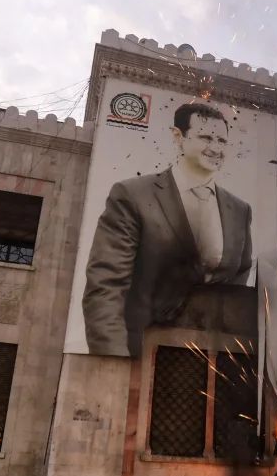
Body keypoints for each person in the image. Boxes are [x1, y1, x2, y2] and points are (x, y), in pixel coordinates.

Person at [83, 102, 253, 357]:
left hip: (207, 362)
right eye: (206, 137)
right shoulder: (132, 195)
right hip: (140, 356)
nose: (215, 148)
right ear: (178, 137)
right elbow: (105, 286)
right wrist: (113, 361)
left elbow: (237, 279)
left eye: (221, 140)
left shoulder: (240, 210)